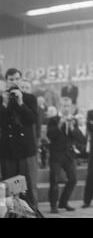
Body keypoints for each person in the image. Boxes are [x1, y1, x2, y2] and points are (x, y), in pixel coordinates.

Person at [0, 68, 38, 209]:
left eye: (17, 79)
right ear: (6, 81)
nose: (14, 82)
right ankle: (12, 213)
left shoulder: (29, 98)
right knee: (9, 186)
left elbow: (32, 120)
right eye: (11, 79)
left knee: (28, 186)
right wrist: (4, 104)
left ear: (21, 79)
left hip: (26, 150)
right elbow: (2, 123)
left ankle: (32, 212)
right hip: (7, 149)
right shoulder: (1, 98)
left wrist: (21, 102)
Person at [47, 97, 86, 214]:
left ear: (71, 107)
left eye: (68, 106)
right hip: (56, 155)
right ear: (60, 106)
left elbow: (81, 139)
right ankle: (53, 205)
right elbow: (50, 136)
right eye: (64, 106)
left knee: (73, 179)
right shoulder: (53, 120)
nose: (66, 108)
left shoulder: (73, 120)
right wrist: (59, 125)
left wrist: (74, 128)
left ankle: (63, 202)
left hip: (69, 155)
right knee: (54, 180)